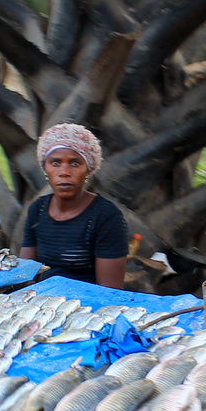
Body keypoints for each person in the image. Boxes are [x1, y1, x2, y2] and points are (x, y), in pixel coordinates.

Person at [18, 123, 128, 288]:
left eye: (75, 163)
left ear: (88, 170)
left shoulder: (106, 217)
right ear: (45, 169)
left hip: (86, 308)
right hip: (41, 305)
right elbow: (25, 275)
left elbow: (108, 292)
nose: (64, 172)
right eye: (55, 163)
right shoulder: (38, 210)